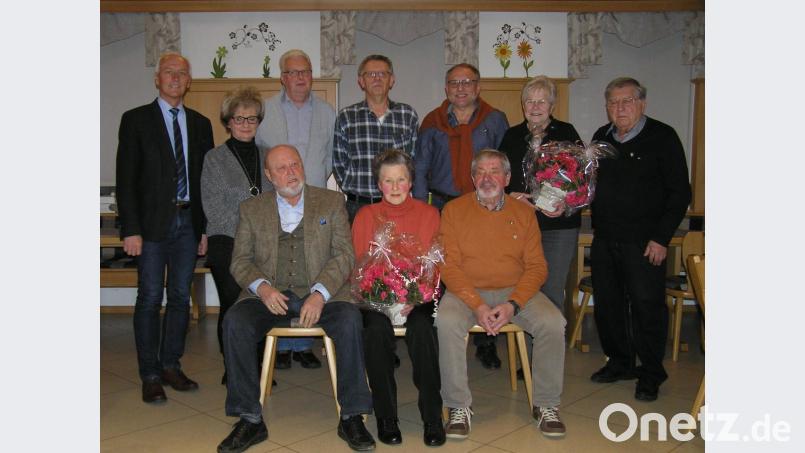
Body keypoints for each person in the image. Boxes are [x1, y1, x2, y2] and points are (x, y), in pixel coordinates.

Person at [217, 145, 375, 453]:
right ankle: (249, 419)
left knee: (350, 320)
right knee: (235, 322)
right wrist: (262, 288)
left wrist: (320, 293)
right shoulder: (251, 209)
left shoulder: (331, 201)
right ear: (269, 175)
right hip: (270, 294)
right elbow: (240, 261)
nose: (291, 172)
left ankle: (352, 416)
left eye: (295, 164)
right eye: (282, 168)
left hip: (322, 293)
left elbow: (344, 255)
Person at [436, 150, 567, 439]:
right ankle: (458, 406)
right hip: (466, 290)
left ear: (507, 178)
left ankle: (546, 404)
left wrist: (513, 304)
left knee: (553, 322)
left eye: (494, 171)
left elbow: (537, 267)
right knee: (446, 321)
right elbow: (448, 266)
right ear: (473, 178)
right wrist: (477, 305)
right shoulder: (454, 210)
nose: (487, 178)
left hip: (514, 289)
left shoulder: (524, 213)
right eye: (480, 172)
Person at [116, 52, 213, 404]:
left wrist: (203, 229)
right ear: (157, 78)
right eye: (169, 72)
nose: (175, 77)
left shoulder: (201, 124)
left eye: (181, 73)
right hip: (150, 226)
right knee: (149, 297)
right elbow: (126, 179)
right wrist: (130, 229)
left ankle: (171, 365)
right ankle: (150, 374)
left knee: (180, 298)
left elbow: (205, 181)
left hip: (189, 223)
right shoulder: (135, 120)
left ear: (189, 81)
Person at [588, 77, 691, 402]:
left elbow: (680, 193)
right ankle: (620, 363)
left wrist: (661, 238)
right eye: (613, 102)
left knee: (648, 308)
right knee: (608, 305)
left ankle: (651, 373)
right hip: (606, 238)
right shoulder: (601, 137)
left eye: (627, 101)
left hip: (645, 243)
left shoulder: (663, 137)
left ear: (642, 104)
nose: (619, 108)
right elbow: (588, 183)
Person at [415, 63, 509, 371]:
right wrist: (421, 210)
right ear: (446, 88)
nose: (461, 87)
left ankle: (486, 341)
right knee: (445, 271)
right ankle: (444, 334)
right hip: (443, 205)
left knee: (483, 269)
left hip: (485, 205)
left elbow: (504, 164)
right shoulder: (433, 121)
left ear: (478, 87)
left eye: (467, 82)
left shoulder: (494, 119)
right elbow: (420, 168)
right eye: (454, 82)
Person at [351, 150, 445, 447]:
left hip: (419, 295)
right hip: (376, 295)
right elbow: (359, 264)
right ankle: (386, 416)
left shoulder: (429, 214)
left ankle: (432, 415)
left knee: (423, 329)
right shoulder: (366, 215)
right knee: (375, 331)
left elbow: (434, 266)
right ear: (378, 184)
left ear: (411, 182)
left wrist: (416, 295)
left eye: (401, 180)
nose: (395, 187)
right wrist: (382, 294)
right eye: (388, 180)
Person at [256, 48, 336, 369]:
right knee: (281, 268)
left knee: (309, 269)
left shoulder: (327, 112)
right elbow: (259, 154)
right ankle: (281, 344)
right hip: (277, 202)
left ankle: (302, 343)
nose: (300, 77)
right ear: (283, 78)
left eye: (305, 71)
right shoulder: (266, 110)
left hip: (313, 202)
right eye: (293, 72)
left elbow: (330, 158)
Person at [201, 87, 271, 384]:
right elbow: (213, 207)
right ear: (228, 122)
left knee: (262, 304)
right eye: (239, 118)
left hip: (264, 245)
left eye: (252, 118)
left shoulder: (268, 155)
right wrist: (248, 231)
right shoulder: (214, 158)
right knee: (234, 306)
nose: (245, 124)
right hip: (227, 242)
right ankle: (234, 367)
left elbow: (278, 200)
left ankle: (258, 366)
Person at [499, 75, 582, 312]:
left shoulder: (566, 133)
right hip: (520, 225)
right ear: (523, 105)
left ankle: (551, 335)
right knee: (520, 289)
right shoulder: (512, 136)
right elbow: (498, 177)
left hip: (558, 227)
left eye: (542, 101)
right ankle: (523, 337)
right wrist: (512, 197)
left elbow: (582, 180)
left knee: (552, 290)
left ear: (552, 106)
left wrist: (566, 204)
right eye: (530, 101)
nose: (535, 107)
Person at [333, 54, 419, 222]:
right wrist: (356, 188)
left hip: (398, 204)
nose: (377, 78)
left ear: (391, 80)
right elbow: (338, 164)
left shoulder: (407, 115)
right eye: (371, 74)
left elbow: (413, 161)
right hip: (358, 206)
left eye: (383, 74)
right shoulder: (346, 117)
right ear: (361, 81)